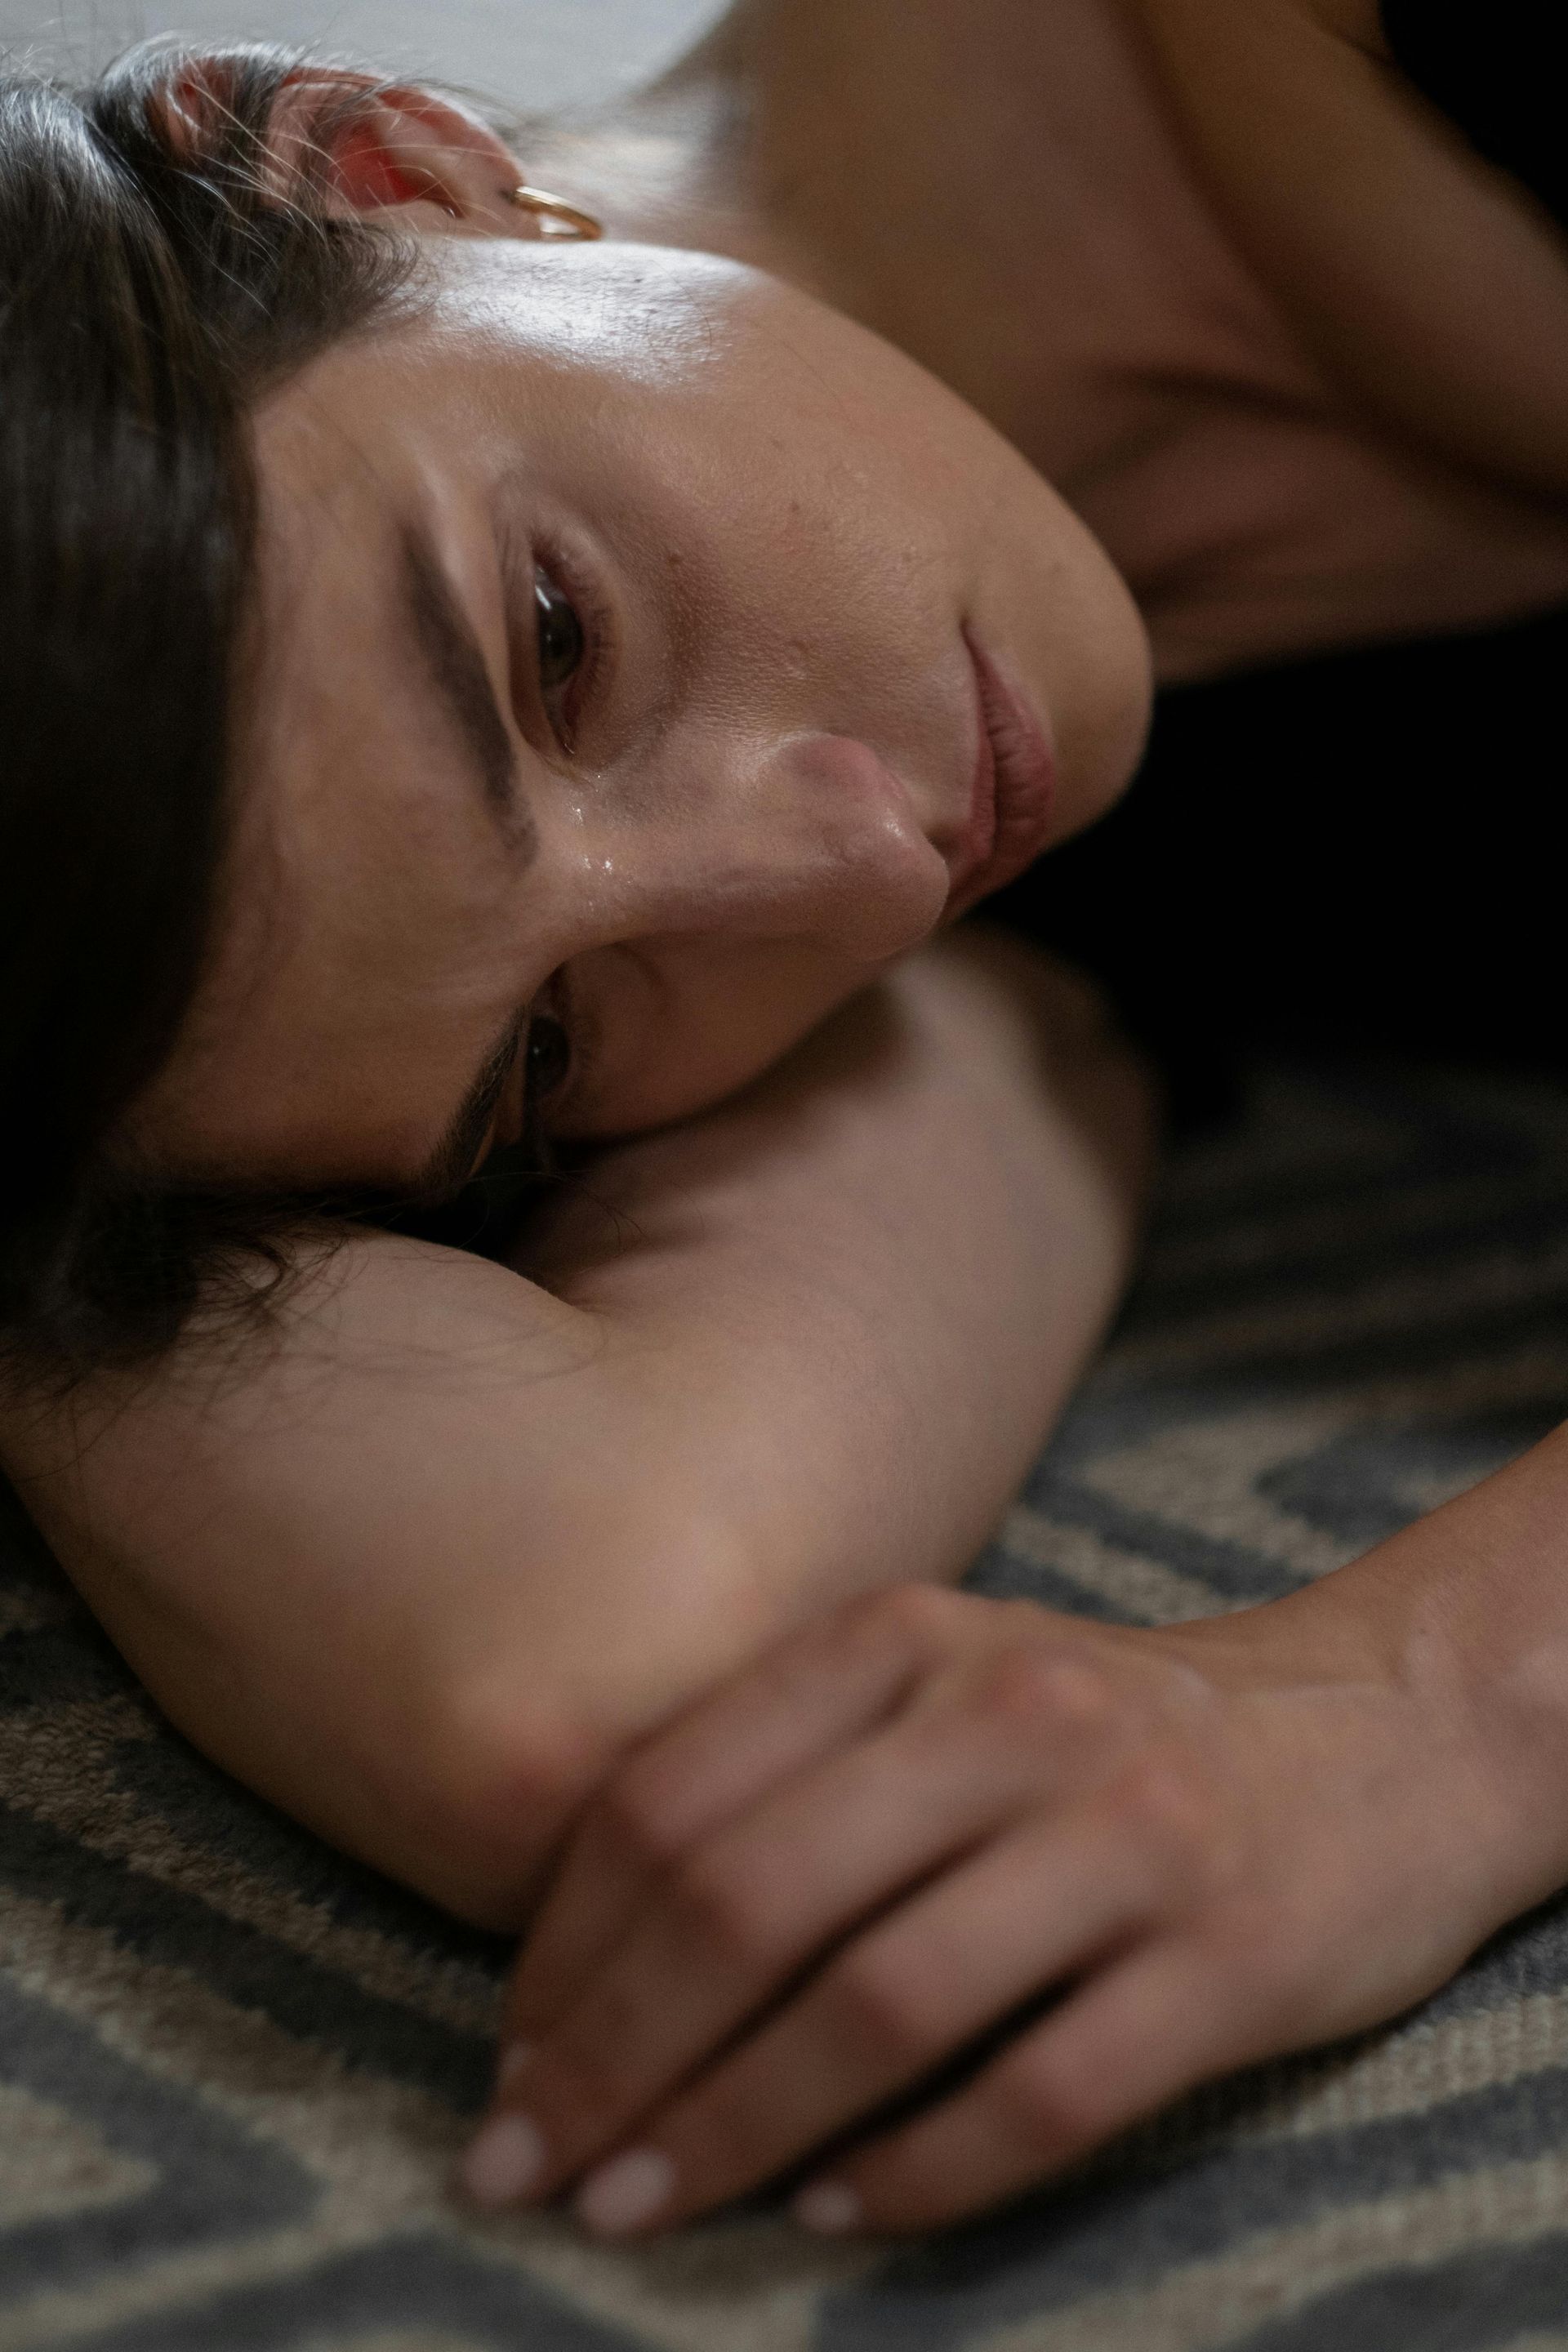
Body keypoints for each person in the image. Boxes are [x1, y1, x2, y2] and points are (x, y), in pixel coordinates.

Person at [2, 0, 1567, 2244]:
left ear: (383, 168)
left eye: (554, 645)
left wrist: (1428, 1702)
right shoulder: (972, 820)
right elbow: (567, 1653)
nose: (848, 879)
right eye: (544, 1054)